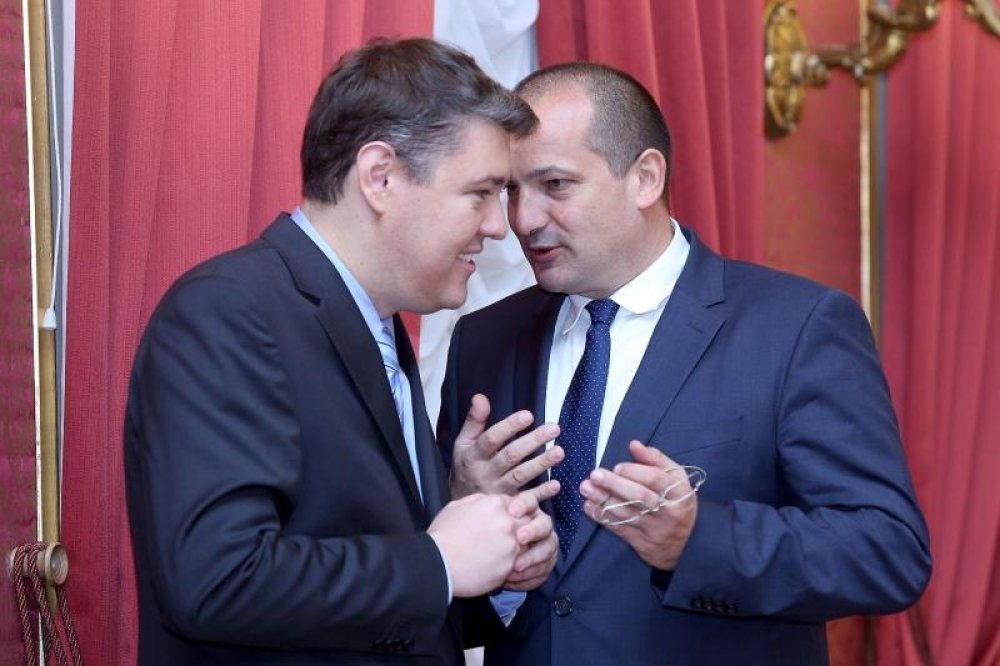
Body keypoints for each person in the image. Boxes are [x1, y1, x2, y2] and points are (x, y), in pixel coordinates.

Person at [437, 62, 932, 665]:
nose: (523, 220)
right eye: (513, 191)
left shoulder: (797, 327)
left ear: (645, 178)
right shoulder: (483, 340)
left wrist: (699, 542)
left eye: (556, 185)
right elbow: (443, 600)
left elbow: (887, 552)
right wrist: (469, 520)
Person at [124, 38, 561, 665]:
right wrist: (439, 560)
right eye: (480, 192)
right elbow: (215, 579)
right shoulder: (226, 311)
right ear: (380, 177)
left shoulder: (377, 324)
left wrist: (495, 572)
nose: (499, 225)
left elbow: (377, 604)